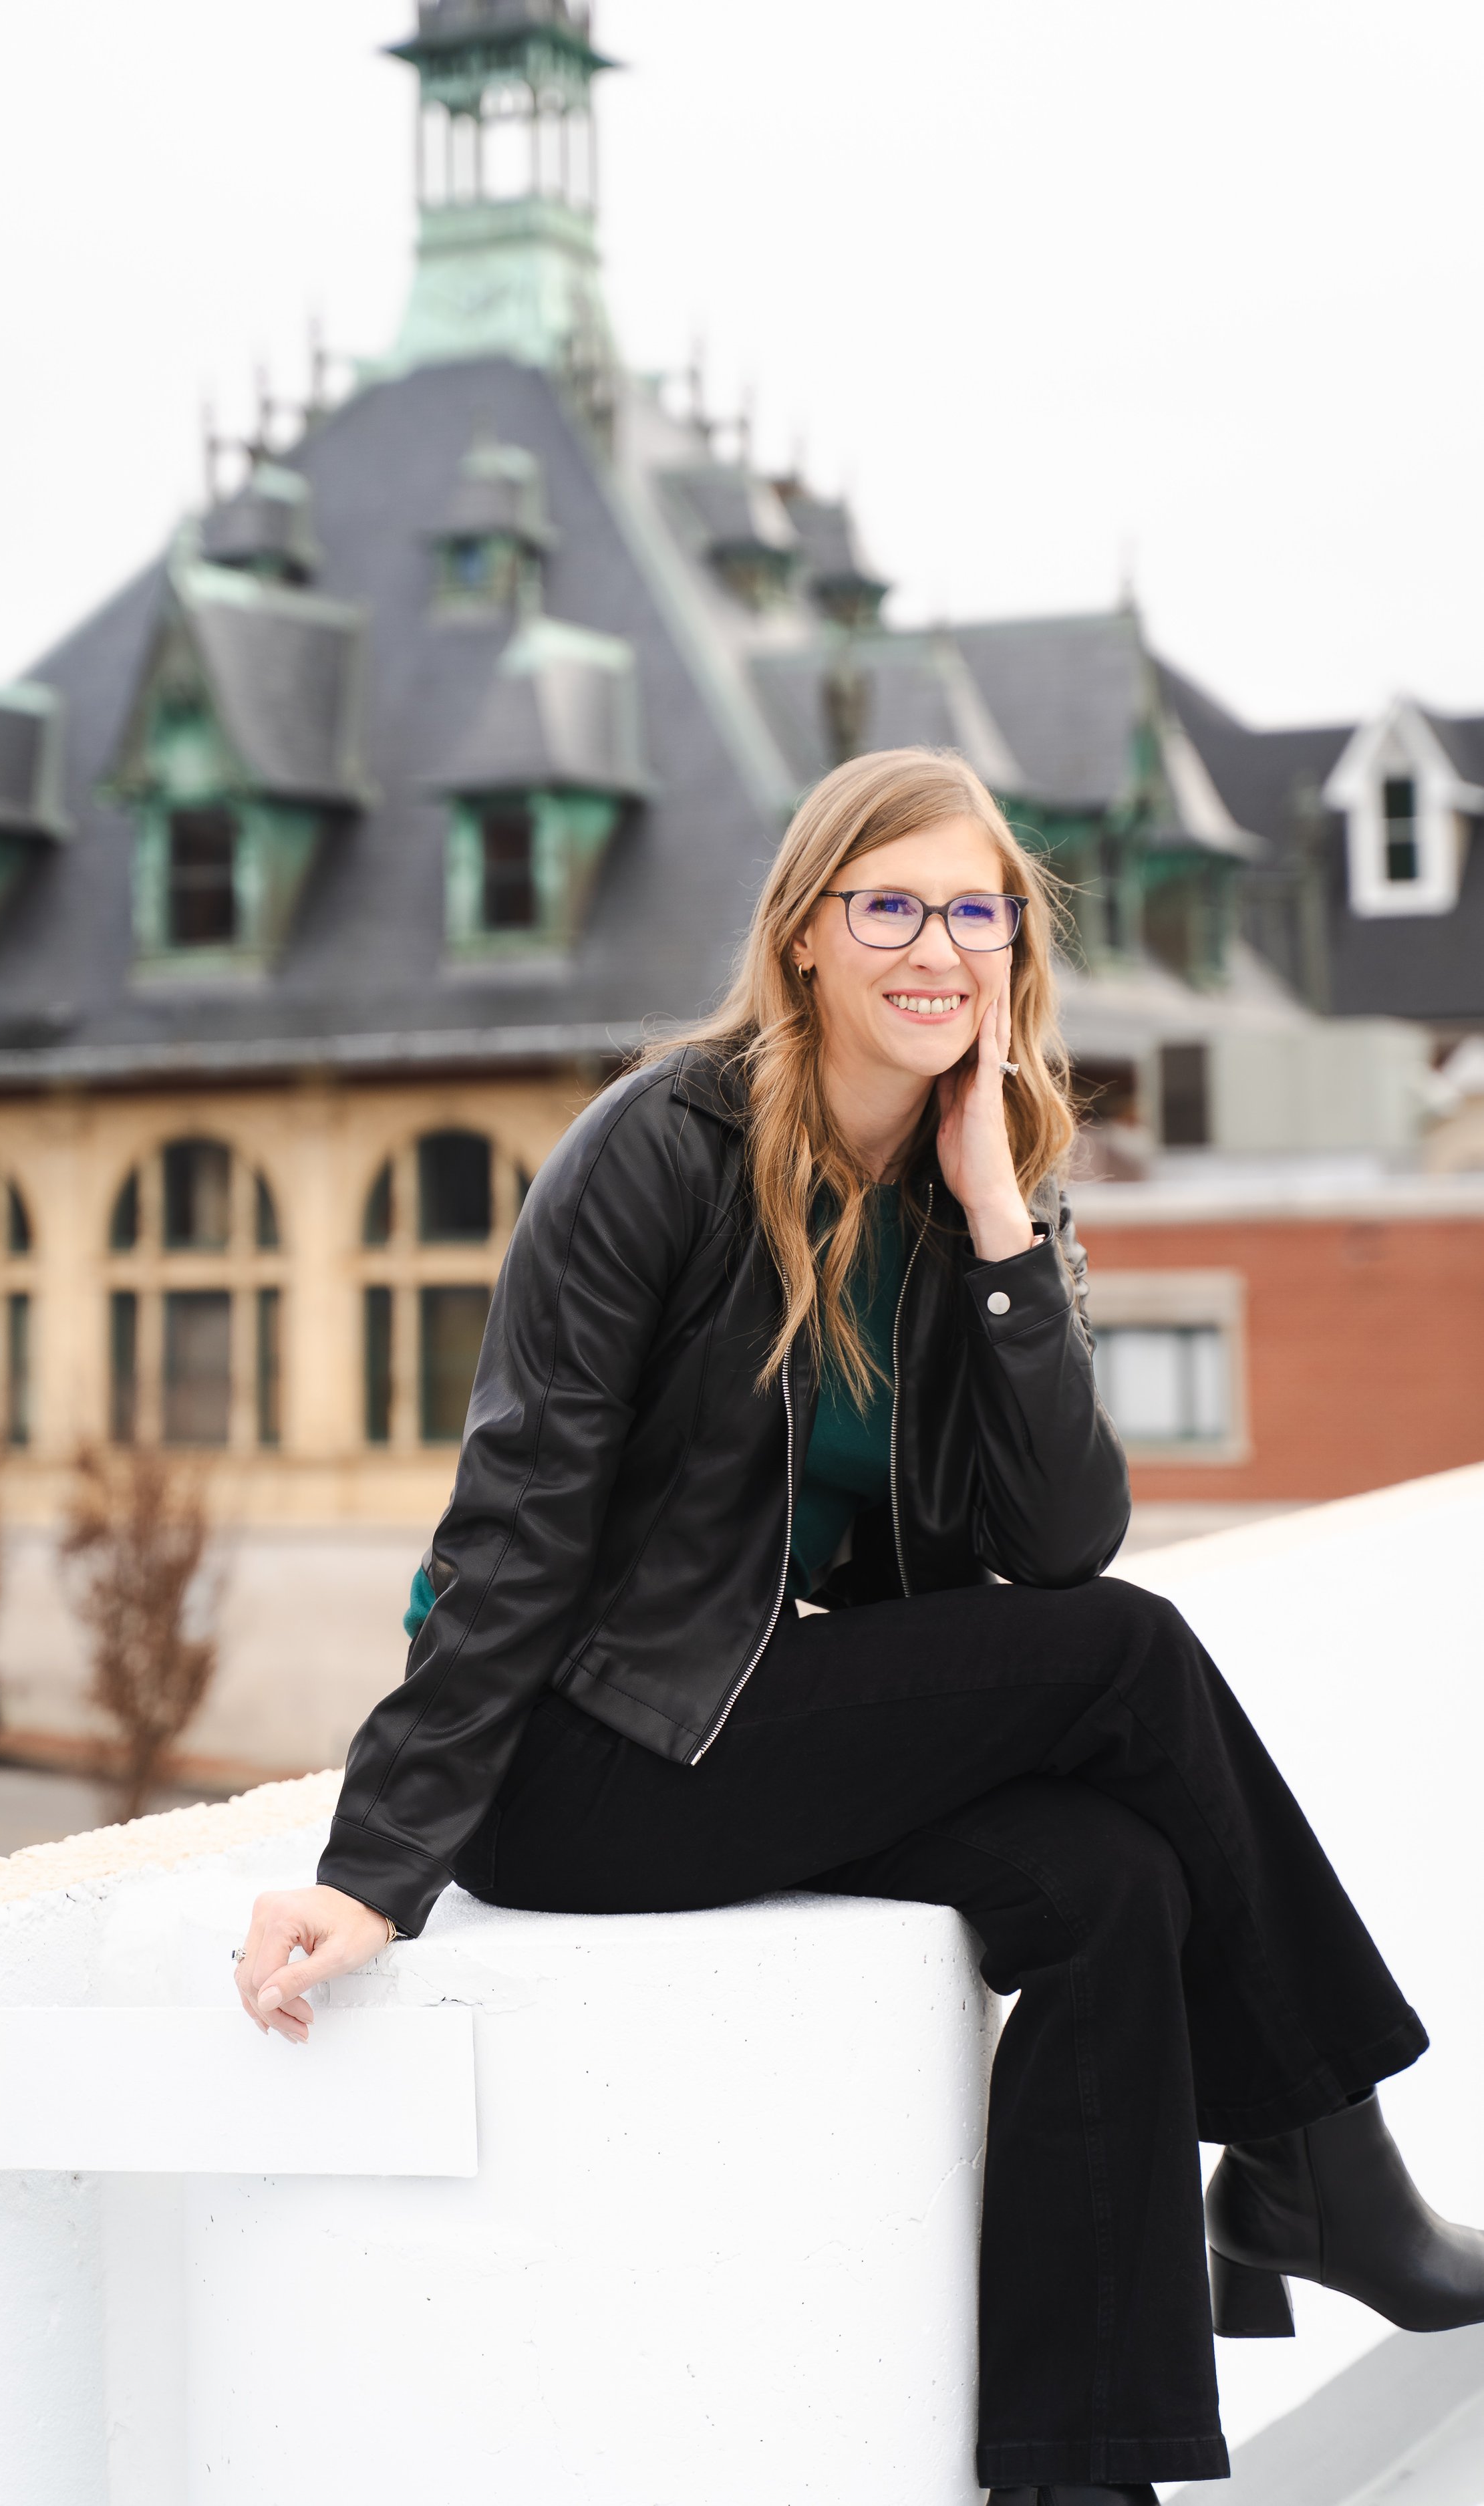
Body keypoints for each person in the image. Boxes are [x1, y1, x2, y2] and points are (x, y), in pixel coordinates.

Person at [237, 748, 1484, 2503]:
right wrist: (377, 1866)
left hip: (758, 1720)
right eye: (887, 904)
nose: (934, 945)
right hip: (587, 1751)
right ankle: (1316, 2163)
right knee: (1131, 1658)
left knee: (1111, 1888)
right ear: (805, 936)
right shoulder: (655, 1152)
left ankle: (1082, 2471)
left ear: (1011, 952)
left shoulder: (976, 1187)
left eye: (972, 910)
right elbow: (514, 1526)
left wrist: (996, 1227)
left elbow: (1056, 1538)